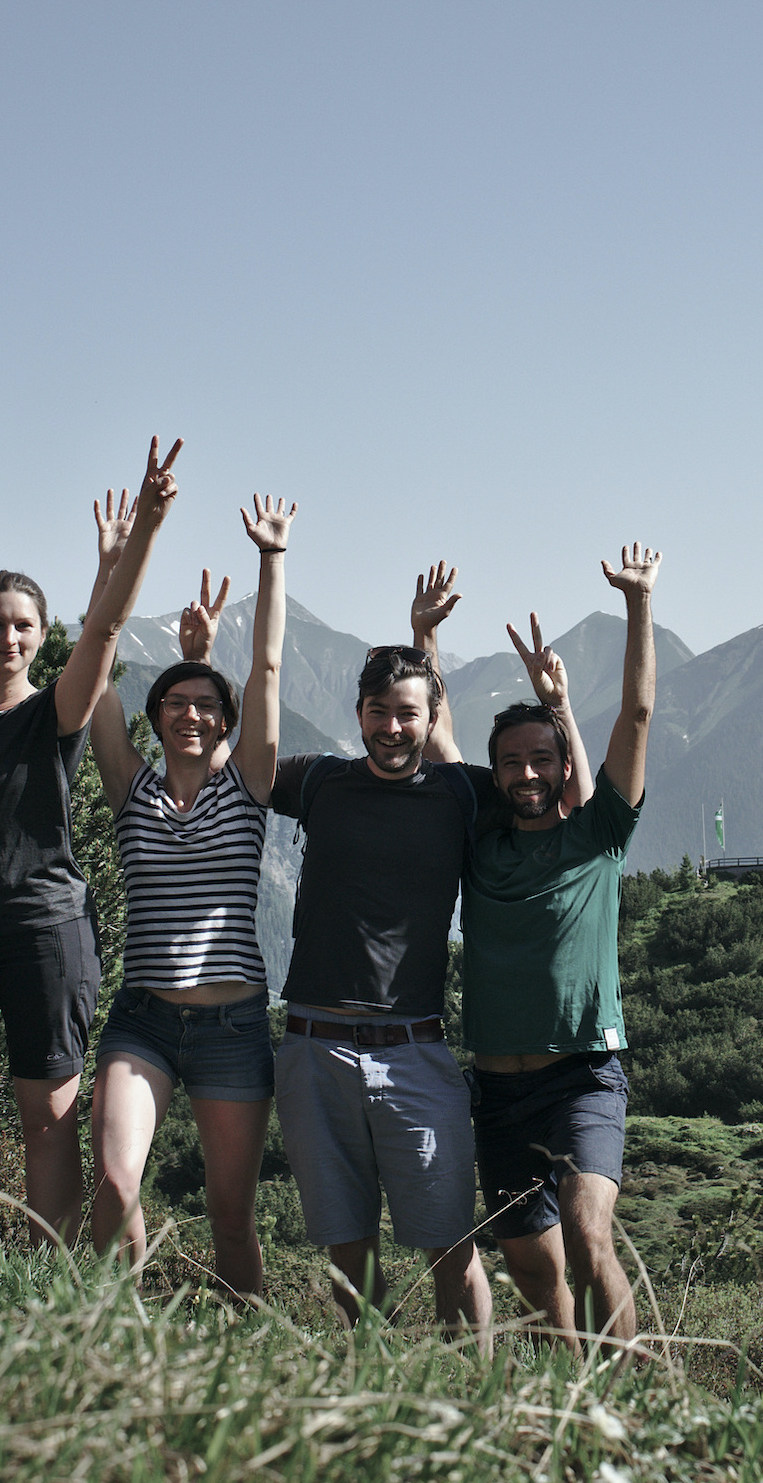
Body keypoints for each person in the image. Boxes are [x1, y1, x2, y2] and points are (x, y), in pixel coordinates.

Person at [0, 439, 180, 1244]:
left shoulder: (55, 711)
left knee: (47, 1118)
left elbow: (104, 627)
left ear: (39, 636)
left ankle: (50, 1280)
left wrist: (146, 530)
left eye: (23, 625)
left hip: (45, 932)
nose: (7, 636)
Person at [434, 546, 661, 1350]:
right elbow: (437, 741)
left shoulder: (600, 836)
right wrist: (425, 643)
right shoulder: (479, 843)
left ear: (565, 765)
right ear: (495, 774)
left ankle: (639, 1399)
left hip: (582, 1077)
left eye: (541, 760)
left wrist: (638, 603)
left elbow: (635, 717)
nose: (526, 773)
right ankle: (574, 1393)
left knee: (589, 1233)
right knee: (533, 1269)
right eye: (511, 763)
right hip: (496, 1089)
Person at [263, 563, 496, 1334]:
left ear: (429, 718)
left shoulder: (458, 792)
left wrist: (427, 636)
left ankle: (476, 1404)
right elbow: (248, 765)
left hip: (414, 1048)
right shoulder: (319, 781)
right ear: (357, 713)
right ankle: (375, 1391)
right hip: (312, 1045)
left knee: (451, 1244)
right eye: (377, 712)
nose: (391, 727)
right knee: (346, 1247)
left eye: (407, 714)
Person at [89, 493, 293, 1299]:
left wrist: (271, 560)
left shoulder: (248, 789)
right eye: (176, 703)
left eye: (208, 705)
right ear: (157, 717)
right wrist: (111, 564)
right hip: (142, 1019)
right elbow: (96, 663)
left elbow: (269, 668)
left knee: (230, 1217)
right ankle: (120, 1335)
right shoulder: (129, 790)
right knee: (114, 1183)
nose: (192, 714)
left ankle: (250, 1345)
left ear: (226, 722)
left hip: (234, 1027)